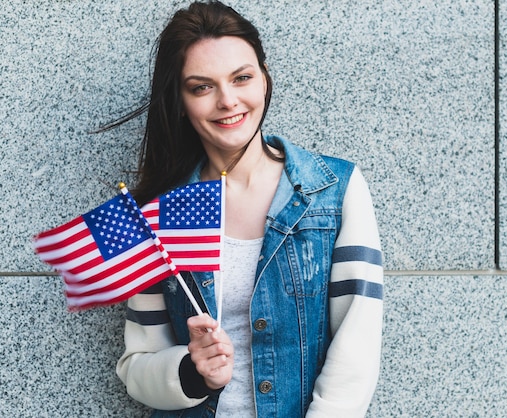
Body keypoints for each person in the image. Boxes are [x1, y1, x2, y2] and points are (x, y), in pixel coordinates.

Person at [113, 1, 383, 417]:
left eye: (242, 78)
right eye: (202, 87)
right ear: (181, 101)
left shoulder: (331, 191)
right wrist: (192, 372)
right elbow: (137, 366)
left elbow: (356, 346)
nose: (228, 100)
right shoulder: (161, 213)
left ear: (264, 81)